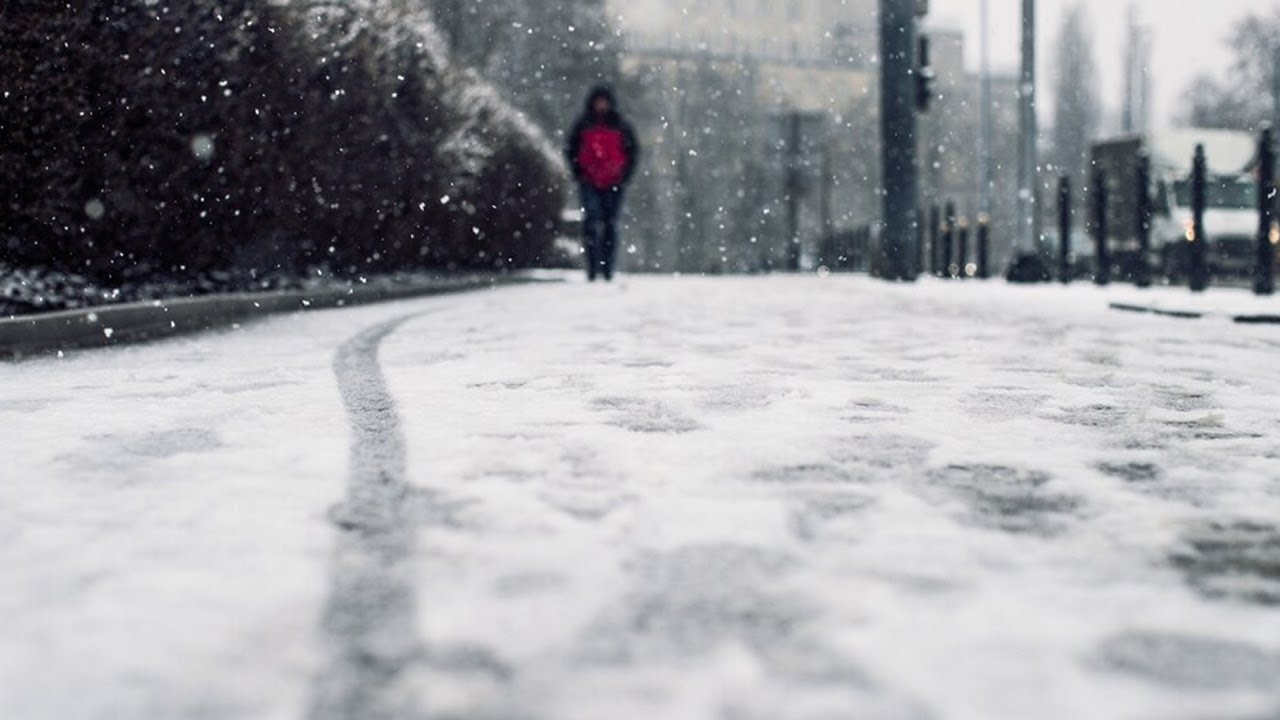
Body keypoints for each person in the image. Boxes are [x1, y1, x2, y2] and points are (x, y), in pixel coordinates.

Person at [566, 86, 640, 282]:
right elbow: (571, 150)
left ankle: (607, 269)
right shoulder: (583, 124)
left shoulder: (621, 125)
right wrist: (579, 173)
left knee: (610, 225)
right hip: (589, 181)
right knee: (592, 222)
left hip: (614, 182)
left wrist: (624, 175)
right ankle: (592, 268)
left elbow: (632, 152)